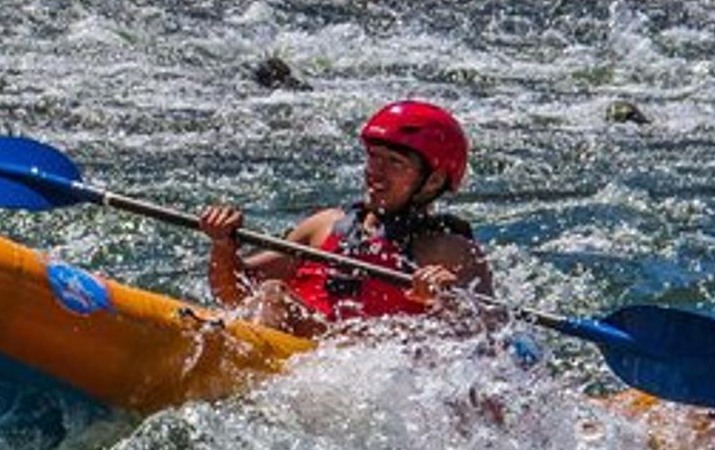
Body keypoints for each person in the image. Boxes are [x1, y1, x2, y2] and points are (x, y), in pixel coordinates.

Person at [198, 100, 494, 338]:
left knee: (273, 295)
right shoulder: (324, 226)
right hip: (302, 352)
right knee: (269, 294)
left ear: (433, 181)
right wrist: (223, 246)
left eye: (394, 162)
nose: (375, 172)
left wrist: (446, 302)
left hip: (363, 365)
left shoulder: (450, 251)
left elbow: (489, 335)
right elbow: (233, 294)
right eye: (374, 156)